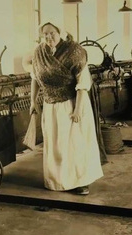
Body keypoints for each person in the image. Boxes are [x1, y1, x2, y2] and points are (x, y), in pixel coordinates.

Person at [28, 21, 104, 195]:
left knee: (73, 144)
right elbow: (34, 78)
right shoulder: (39, 53)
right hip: (50, 106)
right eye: (45, 34)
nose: (48, 37)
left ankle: (80, 182)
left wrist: (77, 109)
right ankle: (57, 181)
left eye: (52, 33)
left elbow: (83, 84)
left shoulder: (74, 51)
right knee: (55, 146)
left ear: (60, 32)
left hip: (71, 104)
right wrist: (33, 101)